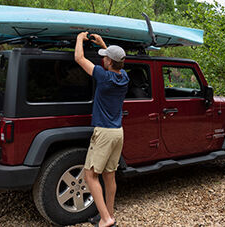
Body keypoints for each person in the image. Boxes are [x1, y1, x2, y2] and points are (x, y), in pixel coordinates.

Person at [74, 32, 128, 227]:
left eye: (105, 57)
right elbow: (115, 60)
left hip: (104, 133)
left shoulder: (103, 77)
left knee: (90, 175)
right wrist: (103, 45)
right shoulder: (124, 77)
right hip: (117, 133)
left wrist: (80, 38)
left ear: (108, 63)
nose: (103, 59)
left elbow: (79, 58)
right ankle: (108, 213)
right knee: (109, 175)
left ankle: (106, 219)